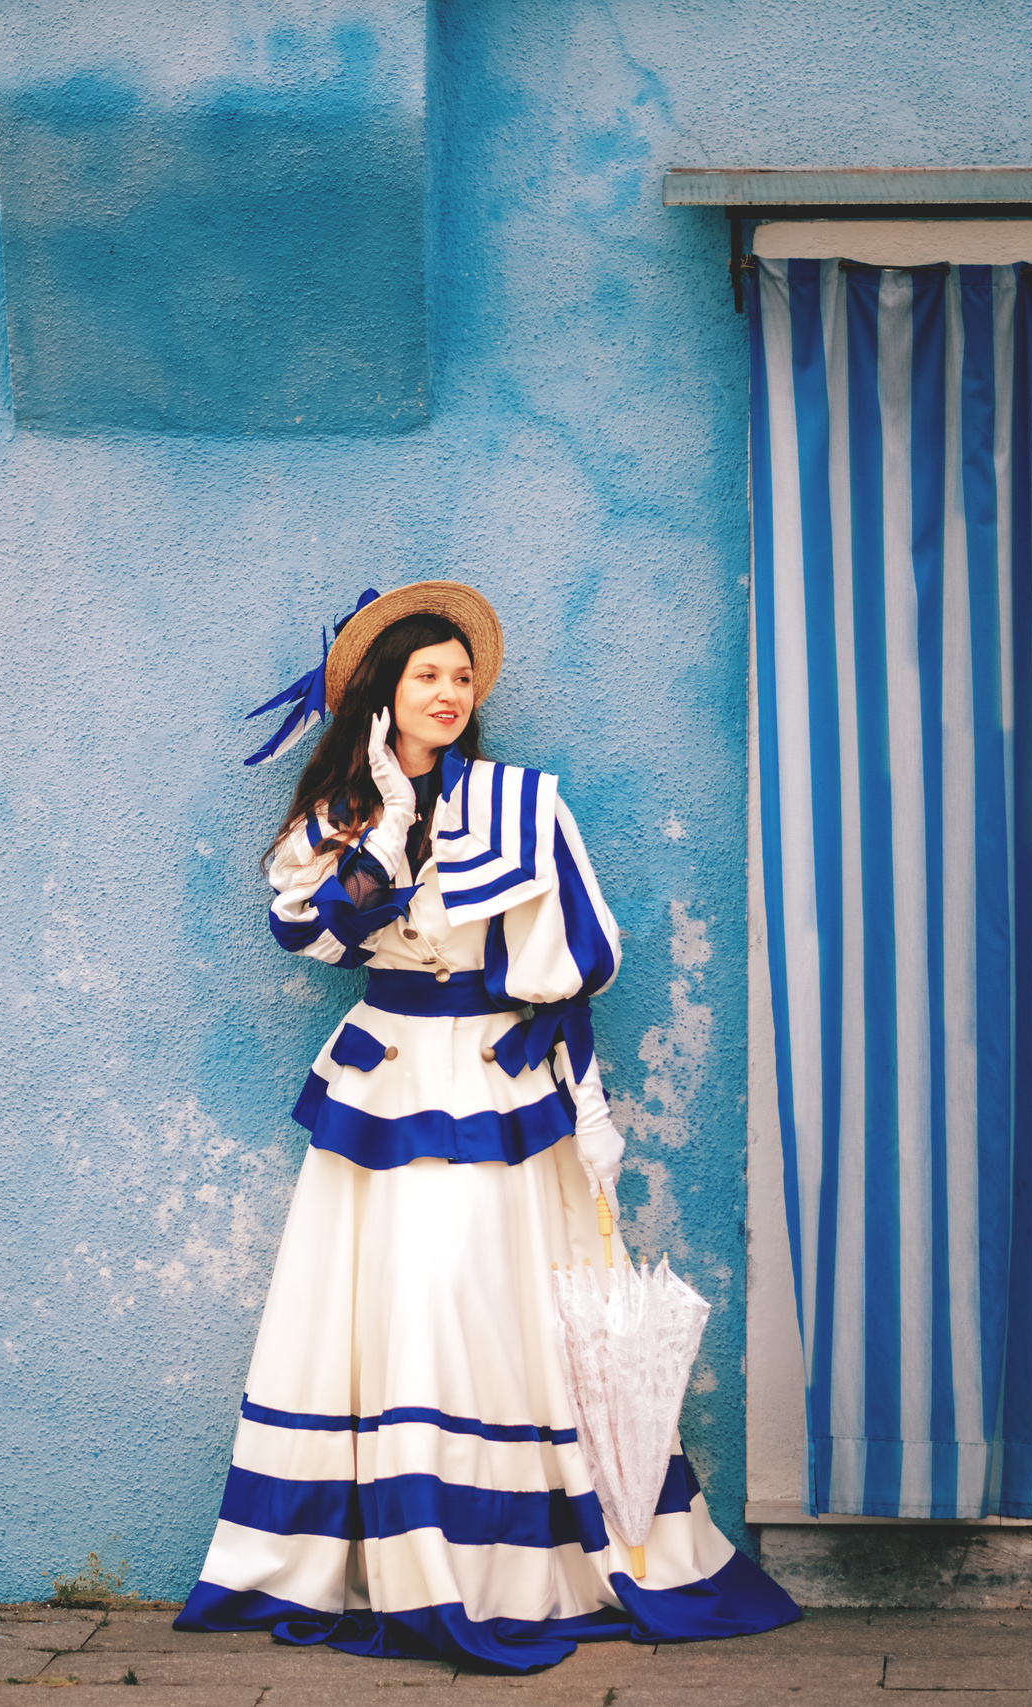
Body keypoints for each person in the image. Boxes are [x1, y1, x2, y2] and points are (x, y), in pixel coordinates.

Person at [173, 581, 800, 1673]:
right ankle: (401, 1557)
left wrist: (579, 1092)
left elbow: (580, 955)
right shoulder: (341, 817)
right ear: (384, 690)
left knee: (475, 1301)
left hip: (497, 1081)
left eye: (462, 676)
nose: (449, 691)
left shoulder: (522, 802)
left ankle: (500, 1560)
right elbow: (304, 932)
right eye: (427, 675)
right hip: (383, 1080)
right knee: (379, 1306)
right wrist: (387, 834)